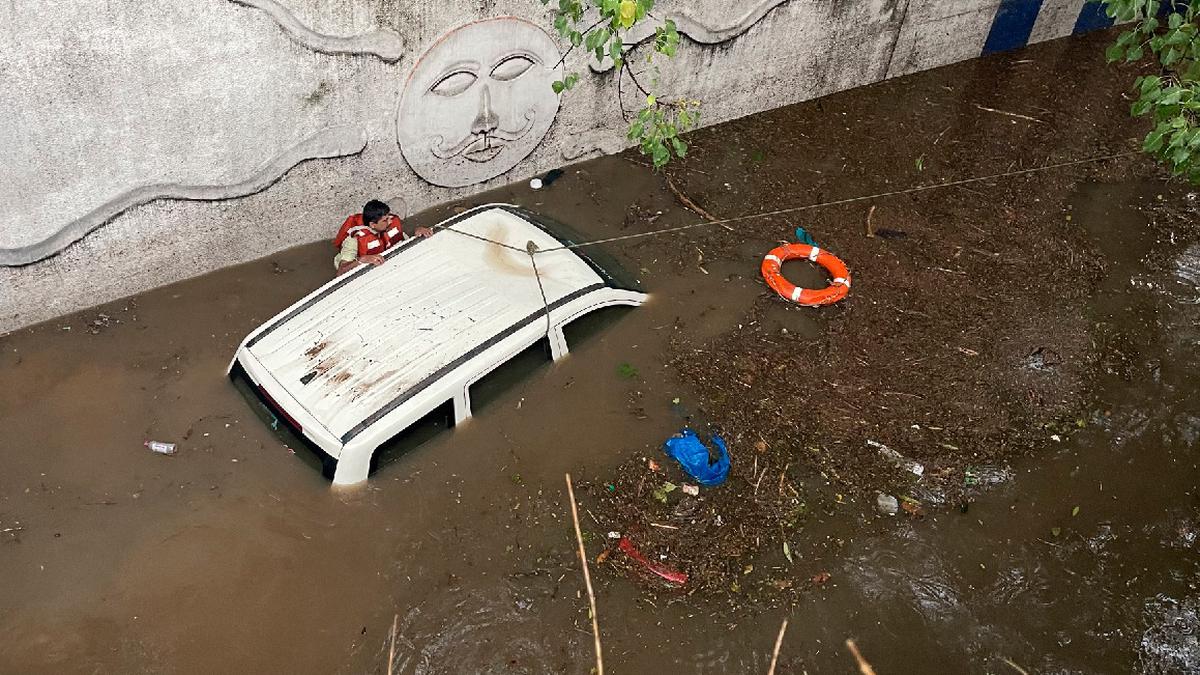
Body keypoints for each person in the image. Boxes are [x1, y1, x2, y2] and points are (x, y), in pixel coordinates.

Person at [333, 199, 433, 275]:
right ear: (372, 225)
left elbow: (404, 236)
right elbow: (341, 271)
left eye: (389, 217)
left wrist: (417, 232)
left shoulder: (391, 224)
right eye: (385, 220)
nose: (390, 221)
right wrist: (361, 260)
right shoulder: (353, 240)